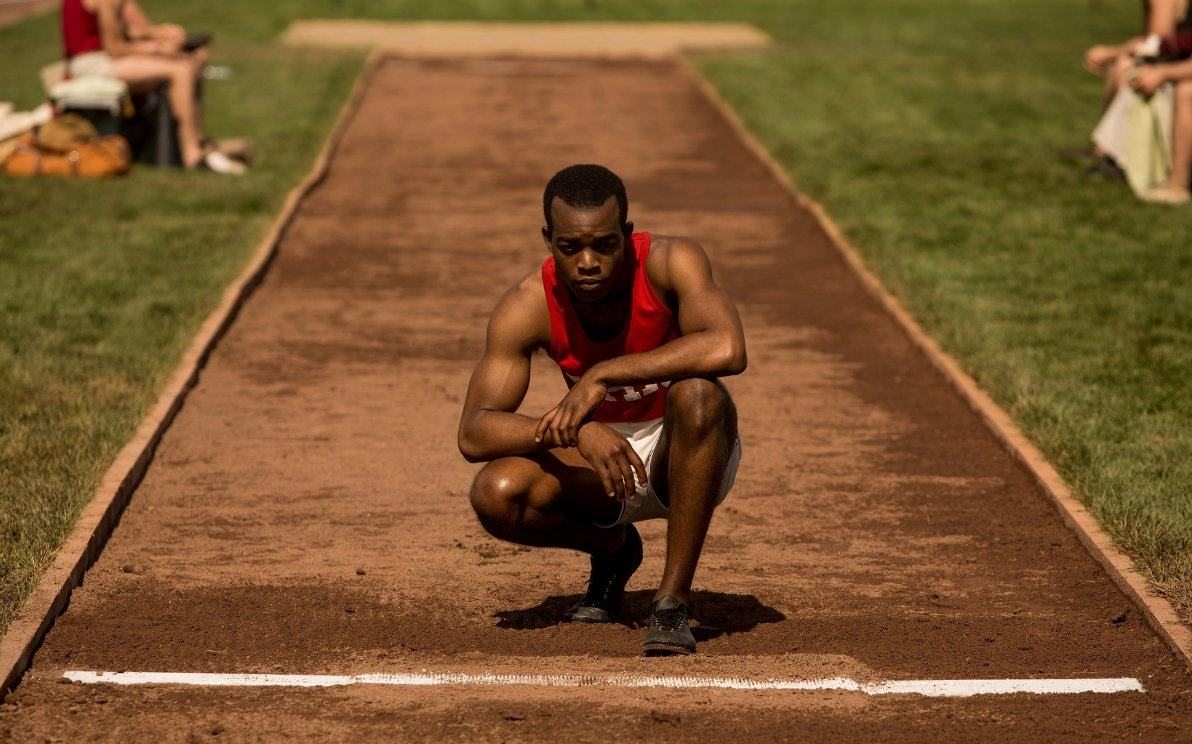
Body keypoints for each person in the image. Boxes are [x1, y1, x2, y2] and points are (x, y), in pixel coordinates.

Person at [457, 164, 746, 656]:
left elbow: (727, 348)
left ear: (627, 236)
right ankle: (615, 551)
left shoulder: (673, 261)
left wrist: (602, 373)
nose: (588, 262)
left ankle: (671, 602)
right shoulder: (527, 304)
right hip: (598, 464)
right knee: (497, 493)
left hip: (688, 447)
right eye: (570, 248)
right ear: (549, 240)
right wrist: (576, 433)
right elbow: (475, 433)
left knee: (699, 394)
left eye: (605, 245)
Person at [60, 0, 244, 174]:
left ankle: (196, 140)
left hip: (104, 57)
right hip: (92, 62)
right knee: (181, 71)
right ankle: (192, 155)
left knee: (193, 59)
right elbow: (115, 48)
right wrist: (157, 49)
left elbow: (127, 29)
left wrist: (159, 34)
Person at [1083, 0, 1189, 180]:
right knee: (1125, 64)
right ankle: (1105, 150)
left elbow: (1156, 41)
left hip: (1175, 67)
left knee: (1127, 68)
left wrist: (1110, 52)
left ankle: (1111, 154)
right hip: (1173, 62)